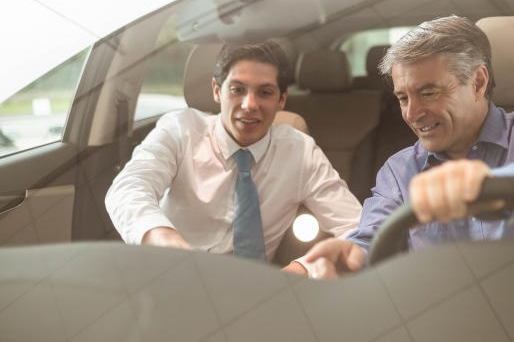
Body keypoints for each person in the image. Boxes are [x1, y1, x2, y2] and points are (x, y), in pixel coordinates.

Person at [294, 15, 514, 278]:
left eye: (428, 93)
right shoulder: (400, 171)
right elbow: (371, 239)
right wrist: (340, 261)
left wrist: (494, 189)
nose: (412, 114)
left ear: (478, 82)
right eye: (403, 98)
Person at [105, 41, 361, 266]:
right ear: (217, 91)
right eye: (237, 89)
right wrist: (164, 239)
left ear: (282, 100)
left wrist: (304, 268)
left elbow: (358, 227)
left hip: (255, 294)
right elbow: (128, 189)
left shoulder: (300, 151)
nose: (250, 105)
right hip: (173, 277)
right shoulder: (180, 130)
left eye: (265, 92)